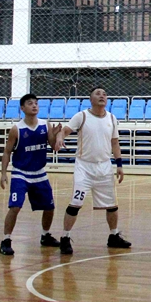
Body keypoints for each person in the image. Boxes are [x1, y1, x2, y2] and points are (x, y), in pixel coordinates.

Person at [54, 87, 130, 254]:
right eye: (98, 93)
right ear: (90, 99)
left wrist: (119, 165)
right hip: (84, 166)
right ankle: (65, 237)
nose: (102, 96)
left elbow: (115, 143)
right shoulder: (81, 116)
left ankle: (113, 236)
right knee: (75, 203)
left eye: (104, 94)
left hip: (104, 166)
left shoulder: (111, 118)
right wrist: (59, 137)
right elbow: (65, 130)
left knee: (112, 205)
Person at [0, 94, 62, 255]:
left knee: (50, 207)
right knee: (15, 207)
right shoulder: (16, 129)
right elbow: (7, 152)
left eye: (36, 103)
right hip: (21, 173)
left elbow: (54, 147)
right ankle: (6, 240)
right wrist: (3, 173)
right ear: (22, 108)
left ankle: (45, 235)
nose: (34, 106)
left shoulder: (45, 125)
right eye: (30, 103)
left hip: (39, 173)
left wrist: (55, 136)